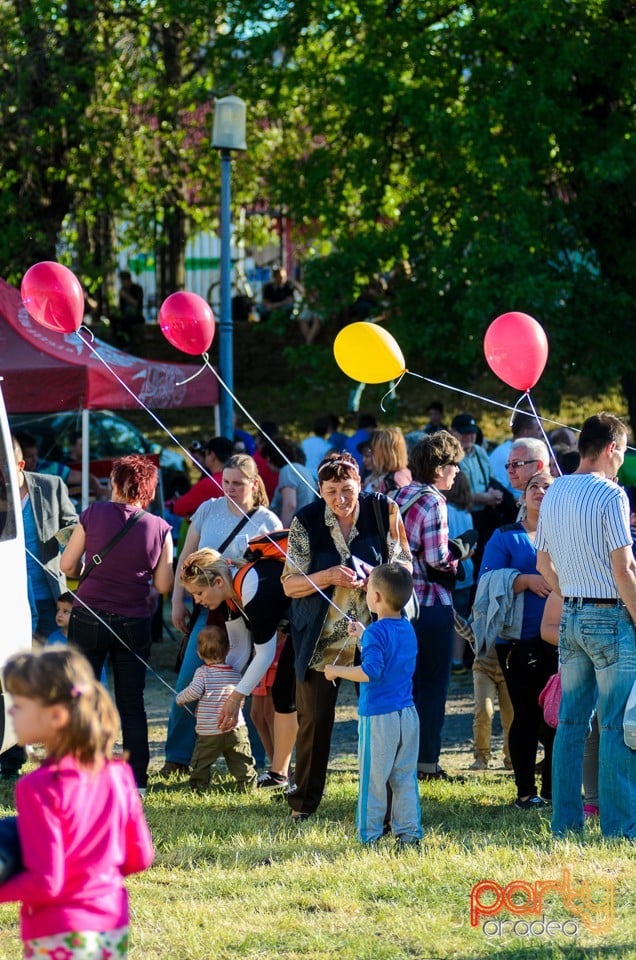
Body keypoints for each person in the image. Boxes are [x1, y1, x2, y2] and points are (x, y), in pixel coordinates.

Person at [0, 646, 154, 959]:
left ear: (55, 715)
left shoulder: (38, 787)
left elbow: (47, 883)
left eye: (18, 704)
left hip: (59, 931)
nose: (11, 712)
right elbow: (140, 857)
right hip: (111, 926)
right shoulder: (120, 774)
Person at [282, 451, 412, 820]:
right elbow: (290, 585)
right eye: (332, 490)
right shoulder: (305, 521)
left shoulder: (383, 511)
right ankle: (303, 804)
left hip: (375, 634)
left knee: (382, 721)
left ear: (361, 485)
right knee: (314, 721)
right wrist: (328, 576)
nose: (341, 498)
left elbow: (404, 565)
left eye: (348, 489)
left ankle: (386, 807)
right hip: (322, 640)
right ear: (320, 489)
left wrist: (373, 574)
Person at [536, 413, 636, 839]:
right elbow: (624, 566)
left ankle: (565, 824)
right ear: (612, 448)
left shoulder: (554, 489)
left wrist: (568, 592)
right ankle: (619, 828)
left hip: (572, 612)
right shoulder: (611, 495)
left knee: (571, 725)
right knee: (614, 725)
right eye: (623, 452)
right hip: (610, 613)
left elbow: (542, 564)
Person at [163, 454, 282, 775]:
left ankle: (251, 759)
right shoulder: (208, 509)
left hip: (252, 609)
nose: (230, 488)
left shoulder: (268, 521)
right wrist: (178, 600)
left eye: (238, 483)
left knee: (252, 683)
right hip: (209, 608)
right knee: (191, 677)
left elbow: (275, 570)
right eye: (225, 481)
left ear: (254, 484)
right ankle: (177, 757)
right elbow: (185, 559)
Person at [60, 455, 174, 791]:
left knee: (82, 697)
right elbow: (164, 586)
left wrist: (88, 573)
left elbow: (68, 565)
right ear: (148, 490)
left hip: (88, 616)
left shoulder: (93, 514)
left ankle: (82, 771)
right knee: (131, 702)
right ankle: (136, 779)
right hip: (133, 621)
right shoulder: (159, 527)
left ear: (116, 483)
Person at [394, 431, 473, 781]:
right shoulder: (434, 501)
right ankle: (427, 762)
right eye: (454, 464)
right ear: (441, 467)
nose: (457, 472)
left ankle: (403, 758)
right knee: (433, 686)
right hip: (429, 602)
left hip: (400, 604)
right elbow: (438, 559)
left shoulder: (399, 495)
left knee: (406, 685)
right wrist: (461, 555)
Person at [324, 563, 422, 847]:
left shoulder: (377, 633)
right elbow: (386, 646)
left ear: (376, 597)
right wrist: (364, 634)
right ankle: (410, 834)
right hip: (408, 715)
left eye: (367, 590)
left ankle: (369, 837)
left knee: (373, 781)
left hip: (380, 719)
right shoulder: (406, 628)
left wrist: (336, 671)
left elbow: (371, 671)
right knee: (404, 777)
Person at [478, 471, 557, 808]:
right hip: (517, 642)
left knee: (558, 718)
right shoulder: (505, 536)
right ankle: (526, 792)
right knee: (525, 715)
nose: (540, 490)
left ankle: (555, 790)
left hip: (562, 638)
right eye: (533, 486)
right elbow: (485, 583)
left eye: (547, 486)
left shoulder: (569, 533)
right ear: (522, 498)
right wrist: (523, 579)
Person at [175, 546, 290, 765]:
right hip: (280, 643)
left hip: (299, 636)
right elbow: (239, 648)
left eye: (199, 593)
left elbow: (264, 654)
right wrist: (218, 681)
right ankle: (280, 771)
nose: (197, 601)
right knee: (259, 714)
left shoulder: (251, 586)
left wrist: (235, 697)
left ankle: (285, 772)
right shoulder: (228, 599)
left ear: (218, 582)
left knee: (278, 708)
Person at [175, 626, 257, 791]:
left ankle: (199, 786)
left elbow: (195, 691)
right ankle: (247, 785)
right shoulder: (235, 673)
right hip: (236, 729)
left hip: (209, 731)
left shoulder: (203, 673)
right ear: (227, 650)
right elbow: (240, 700)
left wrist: (180, 698)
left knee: (202, 761)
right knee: (241, 759)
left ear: (199, 653)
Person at [167, 436, 233, 518]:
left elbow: (179, 508)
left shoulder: (209, 483)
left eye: (206, 454)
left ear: (212, 456)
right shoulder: (239, 479)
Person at [263, 437, 317, 527]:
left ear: (275, 456)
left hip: (293, 530)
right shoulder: (302, 470)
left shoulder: (288, 470)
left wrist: (282, 533)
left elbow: (290, 505)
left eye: (268, 458)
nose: (267, 464)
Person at [489, 412, 544, 495]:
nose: (542, 433)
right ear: (526, 432)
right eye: (539, 429)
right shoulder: (503, 454)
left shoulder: (532, 453)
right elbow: (497, 491)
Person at [363, 427, 411, 497]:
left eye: (373, 450)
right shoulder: (381, 475)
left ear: (385, 453)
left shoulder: (393, 481)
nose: (371, 453)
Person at [115, 270, 145, 348]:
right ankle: (120, 341)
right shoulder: (123, 290)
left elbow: (137, 304)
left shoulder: (137, 289)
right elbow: (121, 307)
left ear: (128, 280)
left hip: (136, 315)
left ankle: (129, 343)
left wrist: (125, 296)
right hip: (125, 315)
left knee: (126, 321)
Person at [300, 416, 333, 481]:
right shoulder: (328, 446)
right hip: (318, 479)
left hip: (303, 476)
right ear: (328, 429)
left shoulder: (305, 442)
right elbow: (330, 466)